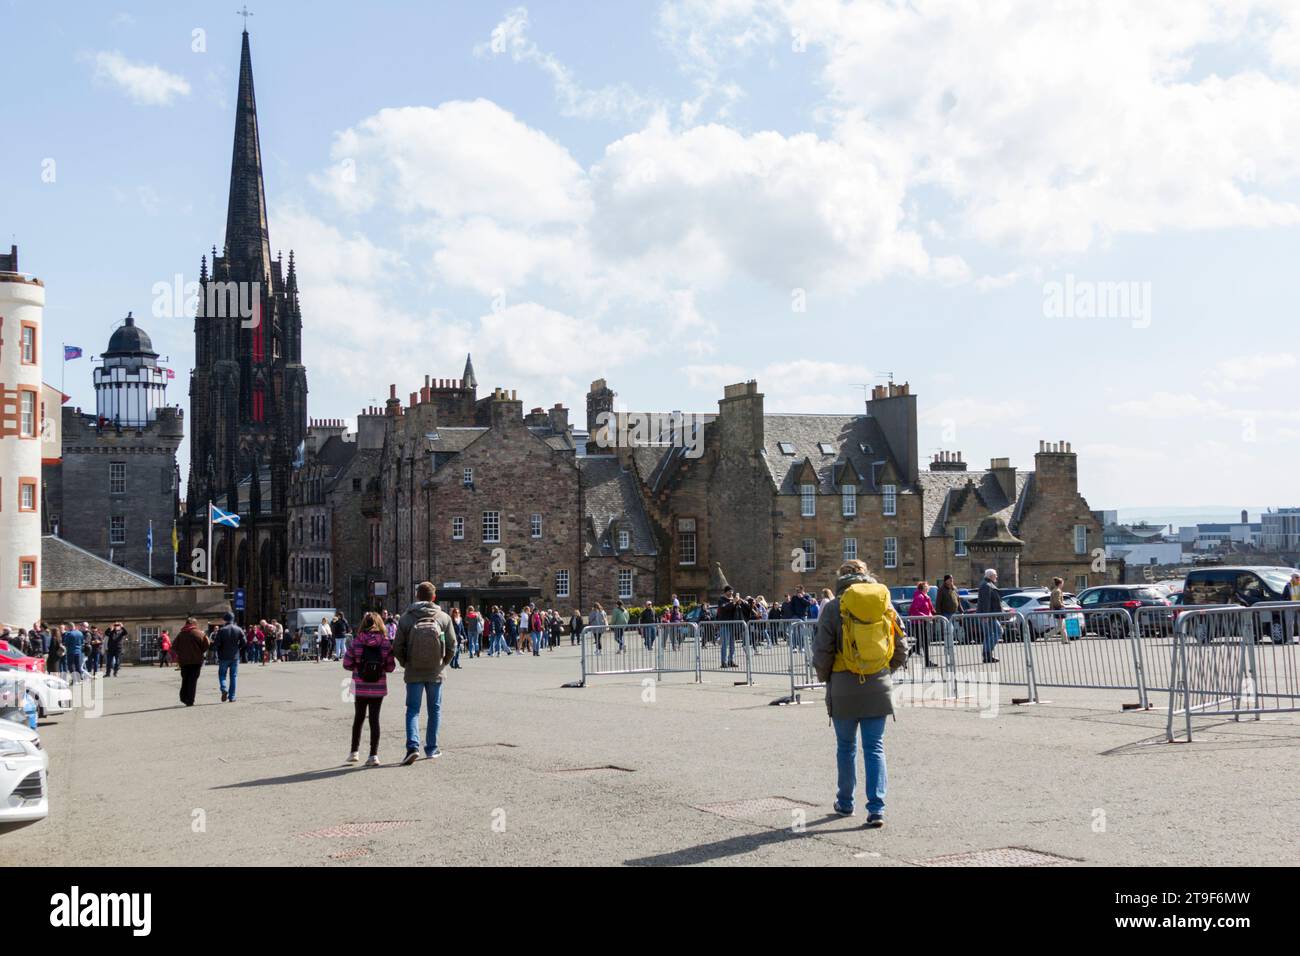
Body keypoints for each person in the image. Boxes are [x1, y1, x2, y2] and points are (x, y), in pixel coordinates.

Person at [812, 560, 908, 828]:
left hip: (843, 685)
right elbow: (902, 645)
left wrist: (826, 677)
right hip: (877, 684)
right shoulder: (883, 602)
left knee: (846, 747)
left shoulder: (833, 607)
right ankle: (876, 808)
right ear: (867, 575)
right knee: (874, 748)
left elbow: (822, 651)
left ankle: (845, 802)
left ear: (840, 579)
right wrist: (884, 670)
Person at [393, 582, 455, 764]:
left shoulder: (406, 618)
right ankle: (432, 748)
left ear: (417, 597)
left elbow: (397, 646)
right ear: (434, 597)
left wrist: (405, 662)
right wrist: (443, 663)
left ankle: (413, 746)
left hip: (413, 670)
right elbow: (453, 645)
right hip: (435, 671)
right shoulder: (443, 617)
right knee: (434, 709)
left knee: (413, 710)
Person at [342, 611, 396, 766]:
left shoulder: (357, 641)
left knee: (358, 718)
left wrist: (357, 667)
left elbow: (346, 663)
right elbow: (391, 666)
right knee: (374, 719)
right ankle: (373, 755)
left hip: (359, 685)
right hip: (378, 686)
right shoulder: (385, 643)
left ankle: (354, 752)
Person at [173, 617, 211, 707]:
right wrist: (200, 651)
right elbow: (207, 644)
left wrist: (181, 652)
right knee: (192, 681)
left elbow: (174, 647)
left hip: (184, 661)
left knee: (185, 679)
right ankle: (190, 700)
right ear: (194, 624)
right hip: (196, 660)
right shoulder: (199, 633)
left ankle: (183, 697)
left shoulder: (181, 634)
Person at [214, 612, 246, 702]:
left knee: (222, 674)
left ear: (225, 620)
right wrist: (238, 648)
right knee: (233, 676)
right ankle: (232, 697)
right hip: (235, 656)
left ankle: (224, 688)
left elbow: (217, 644)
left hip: (223, 656)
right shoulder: (238, 629)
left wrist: (219, 650)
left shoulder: (222, 630)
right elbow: (244, 642)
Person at [977, 568, 1002, 664]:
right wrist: (986, 615)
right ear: (990, 576)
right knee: (996, 632)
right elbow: (985, 602)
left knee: (991, 634)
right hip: (988, 615)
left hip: (990, 614)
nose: (996, 576)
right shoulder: (986, 585)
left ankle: (988, 655)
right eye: (995, 575)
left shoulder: (987, 584)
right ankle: (987, 654)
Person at [908, 580, 936, 668]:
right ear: (923, 588)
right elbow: (913, 610)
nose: (928, 588)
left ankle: (927, 662)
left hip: (924, 622)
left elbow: (930, 610)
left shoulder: (926, 597)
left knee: (925, 643)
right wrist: (925, 616)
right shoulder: (919, 597)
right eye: (927, 587)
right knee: (921, 642)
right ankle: (905, 657)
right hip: (917, 623)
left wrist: (932, 615)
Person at [716, 586, 740, 668]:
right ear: (725, 592)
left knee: (732, 644)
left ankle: (731, 661)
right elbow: (725, 608)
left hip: (732, 624)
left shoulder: (732, 600)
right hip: (725, 624)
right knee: (725, 644)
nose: (731, 593)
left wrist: (738, 603)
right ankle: (724, 662)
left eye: (732, 592)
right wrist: (733, 602)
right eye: (729, 591)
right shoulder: (721, 600)